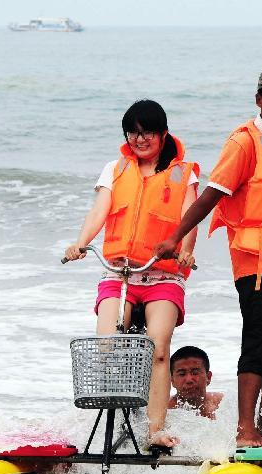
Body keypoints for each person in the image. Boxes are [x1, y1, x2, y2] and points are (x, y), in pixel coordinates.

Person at [156, 64, 262, 447]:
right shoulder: (245, 142)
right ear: (259, 99)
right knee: (259, 345)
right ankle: (245, 430)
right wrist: (175, 237)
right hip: (258, 263)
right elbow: (213, 193)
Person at [64, 99, 200, 448]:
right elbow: (100, 210)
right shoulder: (115, 169)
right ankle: (121, 410)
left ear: (162, 133)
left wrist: (186, 251)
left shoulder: (184, 173)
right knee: (107, 345)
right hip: (120, 273)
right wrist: (79, 243)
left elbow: (189, 218)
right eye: (133, 133)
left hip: (163, 277)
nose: (140, 139)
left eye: (148, 132)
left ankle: (156, 432)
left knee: (158, 348)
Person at [168, 346, 223, 419]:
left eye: (195, 373)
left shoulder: (222, 404)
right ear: (172, 381)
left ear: (208, 377)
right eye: (182, 374)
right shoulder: (164, 410)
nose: (189, 380)